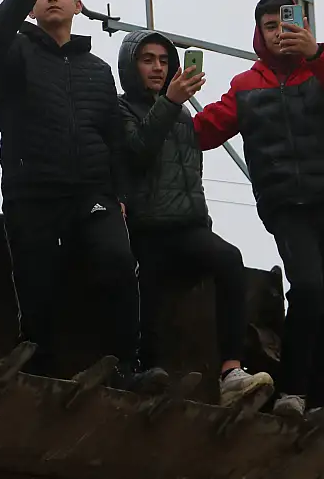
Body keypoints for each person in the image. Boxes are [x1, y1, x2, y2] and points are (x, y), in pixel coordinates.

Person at [0, 0, 167, 394]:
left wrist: (118, 193)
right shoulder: (16, 52)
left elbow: (113, 139)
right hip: (33, 189)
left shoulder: (98, 71)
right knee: (37, 278)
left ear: (78, 6)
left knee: (119, 261)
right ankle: (37, 368)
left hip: (92, 193)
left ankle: (126, 365)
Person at [192, 0, 324, 423]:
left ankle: (321, 399)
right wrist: (165, 109)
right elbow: (203, 131)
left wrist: (319, 54)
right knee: (307, 289)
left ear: (302, 26)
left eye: (286, 23)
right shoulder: (246, 86)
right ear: (259, 33)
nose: (279, 33)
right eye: (270, 26)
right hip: (287, 202)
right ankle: (293, 393)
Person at [116, 30, 276, 409]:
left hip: (188, 225)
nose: (158, 67)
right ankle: (145, 373)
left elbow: (190, 174)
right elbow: (137, 151)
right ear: (130, 65)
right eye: (147, 59)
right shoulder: (120, 108)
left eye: (163, 60)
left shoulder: (183, 115)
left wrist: (201, 220)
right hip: (147, 226)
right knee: (149, 290)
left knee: (229, 259)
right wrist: (169, 103)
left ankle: (231, 372)